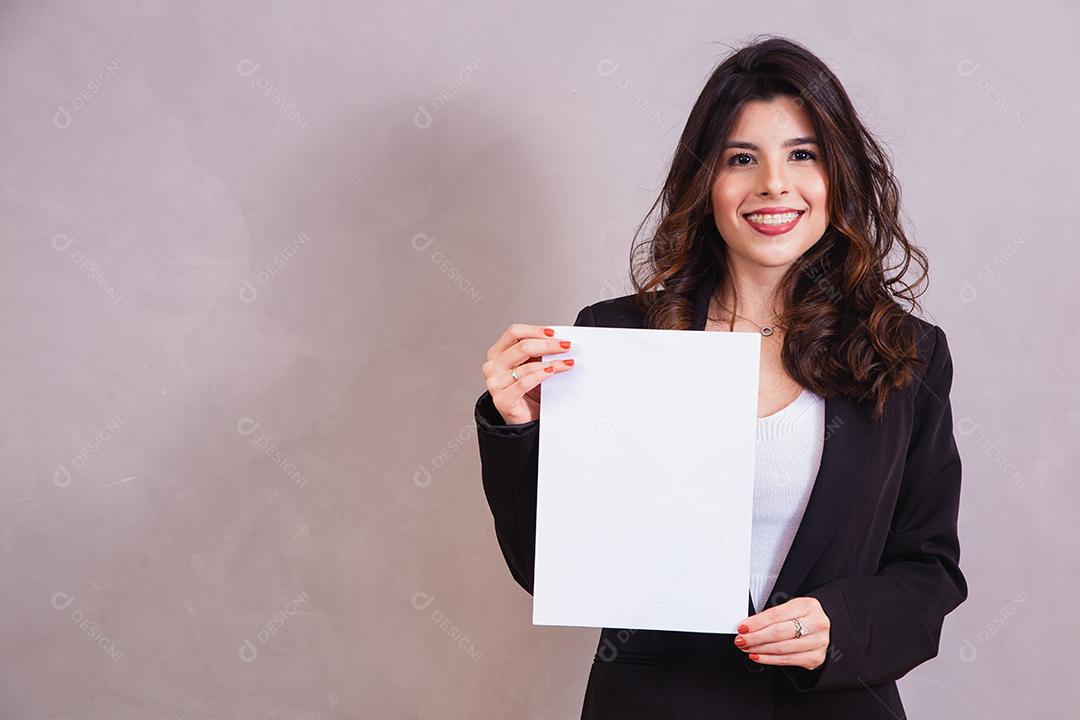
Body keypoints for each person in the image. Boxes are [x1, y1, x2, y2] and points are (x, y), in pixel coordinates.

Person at [474, 35, 966, 719]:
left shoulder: (906, 353)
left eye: (803, 154)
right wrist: (518, 428)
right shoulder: (617, 339)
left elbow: (928, 567)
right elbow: (549, 568)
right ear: (706, 182)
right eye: (742, 158)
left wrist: (841, 625)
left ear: (839, 176)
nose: (773, 184)